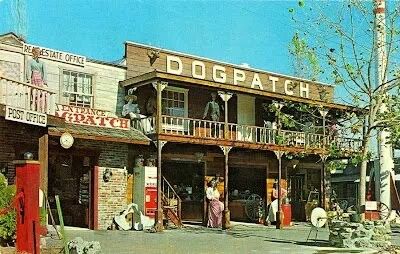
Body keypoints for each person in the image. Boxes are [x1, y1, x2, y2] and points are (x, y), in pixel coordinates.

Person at [26, 47, 47, 112]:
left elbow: (44, 72)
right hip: (33, 79)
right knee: (34, 94)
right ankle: (34, 107)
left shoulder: (42, 62)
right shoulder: (30, 61)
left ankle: (41, 108)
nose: (38, 54)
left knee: (41, 94)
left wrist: (44, 81)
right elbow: (28, 71)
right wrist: (28, 80)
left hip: (40, 79)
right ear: (33, 52)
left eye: (39, 52)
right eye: (36, 52)